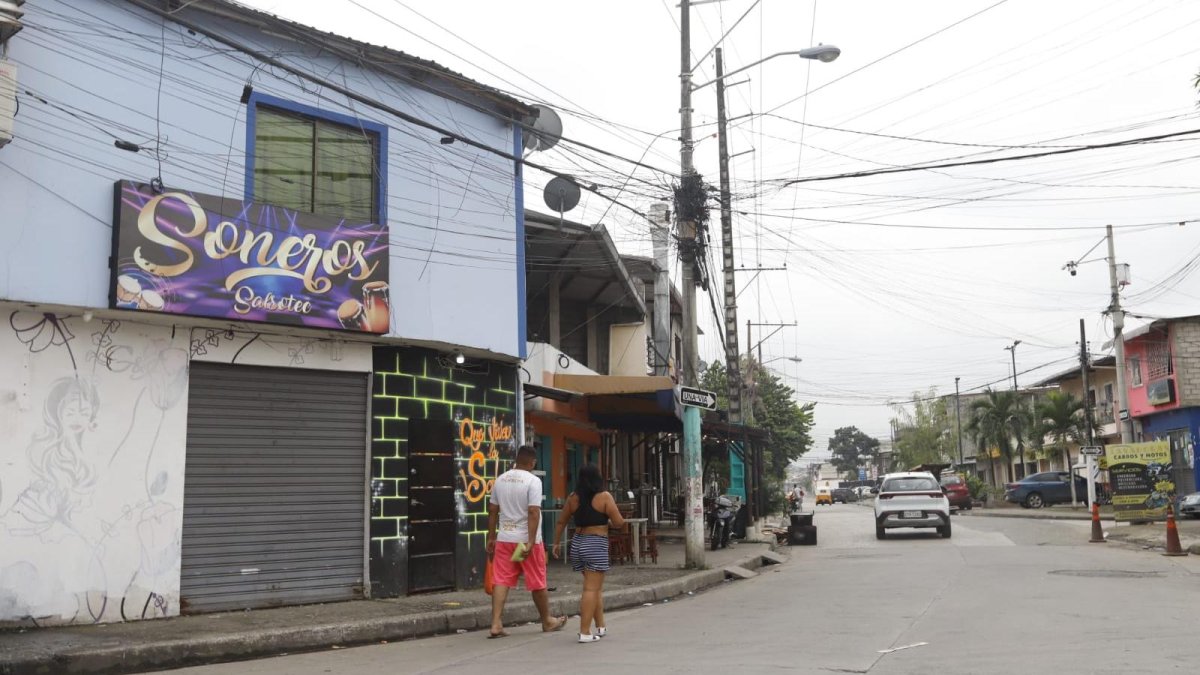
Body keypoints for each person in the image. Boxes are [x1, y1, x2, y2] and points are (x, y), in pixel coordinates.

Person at [485, 444, 567, 638]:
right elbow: (533, 511)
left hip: (505, 539)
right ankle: (547, 620)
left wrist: (491, 536)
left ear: (516, 460)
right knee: (537, 581)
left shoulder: (500, 480)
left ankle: (496, 623)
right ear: (532, 462)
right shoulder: (533, 481)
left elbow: (493, 510)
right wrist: (531, 541)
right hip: (526, 542)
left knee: (501, 580)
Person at [551, 463, 625, 643]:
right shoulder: (604, 497)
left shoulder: (572, 498)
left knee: (594, 587)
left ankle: (600, 626)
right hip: (595, 543)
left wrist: (556, 543)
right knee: (591, 588)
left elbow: (561, 522)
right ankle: (585, 632)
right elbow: (619, 522)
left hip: (577, 543)